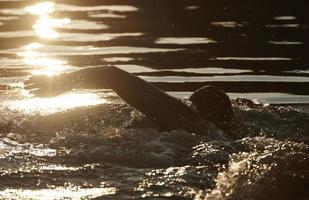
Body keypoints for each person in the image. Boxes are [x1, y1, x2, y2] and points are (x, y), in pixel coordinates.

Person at [25, 66, 233, 140]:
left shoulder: (183, 117)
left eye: (188, 104)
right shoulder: (219, 135)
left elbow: (111, 74)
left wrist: (61, 81)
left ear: (195, 109)